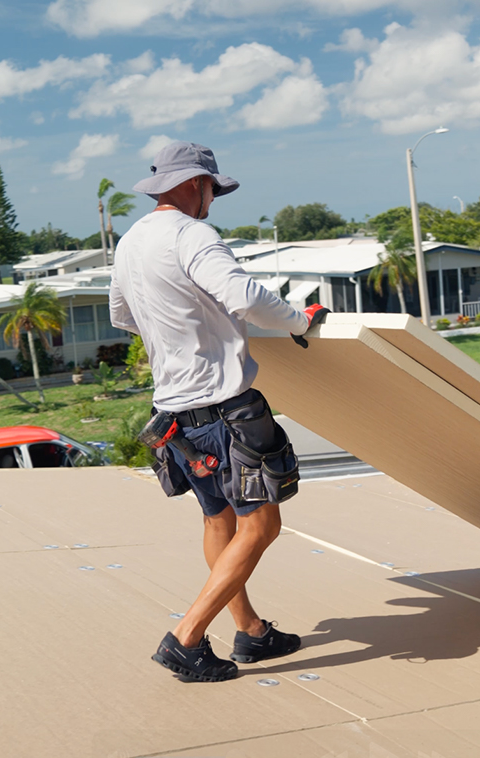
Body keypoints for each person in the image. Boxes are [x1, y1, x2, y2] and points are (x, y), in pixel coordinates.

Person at [110, 141, 326, 682]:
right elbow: (246, 297)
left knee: (218, 520)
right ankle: (186, 639)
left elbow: (122, 313)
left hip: (175, 414)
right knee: (262, 525)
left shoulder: (131, 242)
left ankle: (251, 632)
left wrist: (183, 333)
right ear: (191, 185)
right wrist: (300, 321)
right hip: (226, 410)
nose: (213, 198)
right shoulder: (191, 234)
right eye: (211, 187)